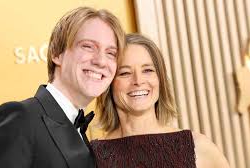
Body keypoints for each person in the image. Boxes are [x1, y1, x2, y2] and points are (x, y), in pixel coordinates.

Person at [0, 7, 125, 168]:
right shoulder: (20, 119)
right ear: (57, 54)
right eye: (88, 46)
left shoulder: (78, 129)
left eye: (111, 53)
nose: (101, 61)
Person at [91, 33, 230, 168]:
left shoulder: (198, 148)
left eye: (148, 70)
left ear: (160, 79)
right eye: (125, 73)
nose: (138, 81)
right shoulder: (91, 156)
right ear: (109, 84)